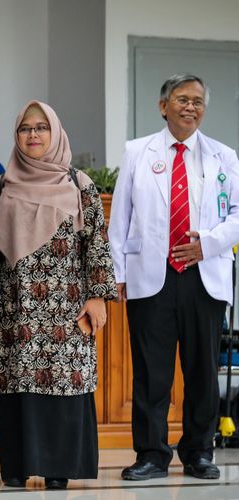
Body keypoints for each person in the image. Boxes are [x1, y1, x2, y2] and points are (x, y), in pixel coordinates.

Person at [110, 74, 239, 481]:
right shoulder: (137, 152)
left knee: (202, 371)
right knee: (152, 372)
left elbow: (237, 215)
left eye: (198, 100)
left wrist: (211, 243)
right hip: (151, 276)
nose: (190, 107)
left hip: (204, 276)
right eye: (182, 99)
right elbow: (120, 219)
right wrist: (116, 274)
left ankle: (199, 453)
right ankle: (151, 454)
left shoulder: (224, 156)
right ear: (163, 105)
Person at [0, 101, 116, 490]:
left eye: (41, 127)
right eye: (25, 128)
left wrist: (98, 296)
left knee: (65, 383)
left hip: (67, 308)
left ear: (55, 132)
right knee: (17, 383)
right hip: (16, 308)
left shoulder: (79, 185)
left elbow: (96, 243)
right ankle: (18, 465)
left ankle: (59, 468)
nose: (33, 135)